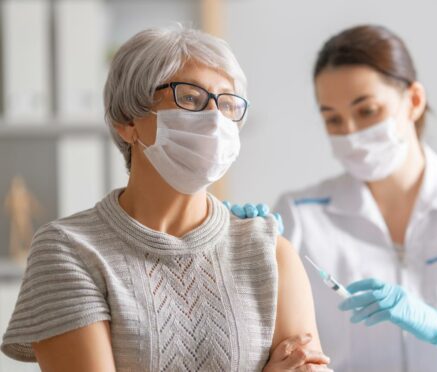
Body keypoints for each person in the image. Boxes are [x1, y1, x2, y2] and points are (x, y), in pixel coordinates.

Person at [1, 26, 331, 372]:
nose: (215, 119)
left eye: (228, 103)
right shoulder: (71, 250)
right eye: (190, 98)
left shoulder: (268, 251)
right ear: (126, 121)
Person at [232, 25, 437, 371]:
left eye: (367, 111)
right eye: (333, 120)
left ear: (414, 101)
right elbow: (258, 345)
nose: (351, 133)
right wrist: (230, 244)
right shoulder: (299, 216)